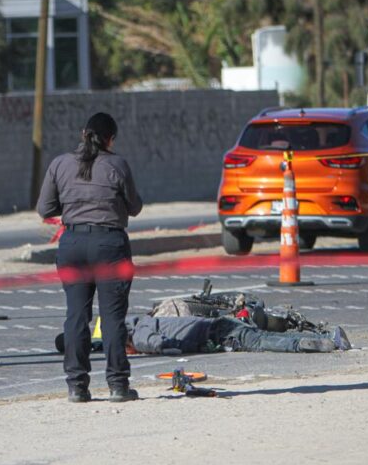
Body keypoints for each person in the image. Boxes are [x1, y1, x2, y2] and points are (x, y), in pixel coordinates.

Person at [37, 112, 143, 403]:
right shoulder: (117, 164)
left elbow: (44, 208)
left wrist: (73, 205)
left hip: (72, 243)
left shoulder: (60, 164)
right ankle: (118, 385)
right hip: (109, 243)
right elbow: (135, 207)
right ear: (111, 138)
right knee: (112, 317)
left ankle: (76, 385)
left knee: (76, 315)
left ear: (83, 133)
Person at [126, 314, 351, 355]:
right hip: (219, 324)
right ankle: (331, 338)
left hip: (218, 333)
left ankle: (316, 344)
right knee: (262, 336)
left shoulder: (138, 332)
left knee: (263, 341)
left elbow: (161, 345)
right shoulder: (148, 320)